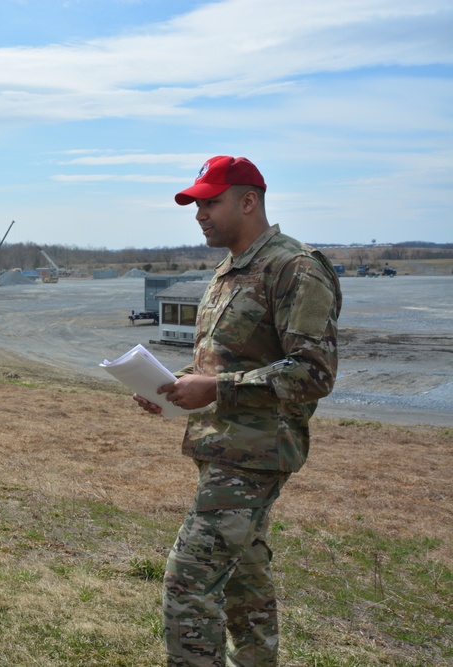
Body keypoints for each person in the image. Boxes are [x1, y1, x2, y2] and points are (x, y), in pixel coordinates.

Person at [133, 156, 342, 666]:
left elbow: (315, 373)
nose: (200, 213)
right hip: (223, 448)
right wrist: (173, 386)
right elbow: (224, 358)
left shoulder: (295, 268)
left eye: (211, 202)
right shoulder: (231, 270)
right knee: (245, 584)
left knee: (189, 582)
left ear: (249, 201)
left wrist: (216, 390)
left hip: (256, 454)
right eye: (197, 204)